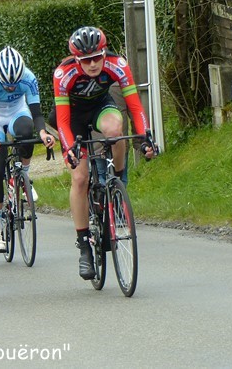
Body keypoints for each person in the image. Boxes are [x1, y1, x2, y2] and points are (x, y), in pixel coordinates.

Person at [51, 26, 155, 280]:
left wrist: (145, 137)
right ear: (76, 59)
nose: (93, 64)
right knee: (80, 178)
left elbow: (135, 106)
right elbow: (62, 121)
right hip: (72, 117)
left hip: (100, 106)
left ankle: (117, 184)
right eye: (86, 60)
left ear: (104, 53)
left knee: (115, 130)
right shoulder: (63, 74)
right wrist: (70, 149)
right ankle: (84, 246)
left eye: (97, 57)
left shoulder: (117, 64)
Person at [0, 46, 54, 253]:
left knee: (27, 132)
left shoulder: (28, 78)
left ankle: (23, 177)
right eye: (6, 84)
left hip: (17, 112)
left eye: (15, 84)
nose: (11, 88)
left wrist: (43, 133)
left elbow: (37, 115)